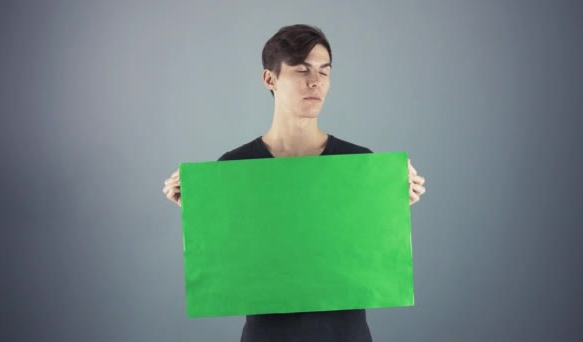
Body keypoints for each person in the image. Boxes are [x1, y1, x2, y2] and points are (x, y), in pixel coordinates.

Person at [162, 24, 426, 342]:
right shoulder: (234, 169)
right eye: (302, 70)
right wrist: (199, 210)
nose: (315, 81)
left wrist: (392, 203)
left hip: (345, 335)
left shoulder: (359, 165)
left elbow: (368, 256)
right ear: (269, 79)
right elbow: (229, 266)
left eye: (324, 72)